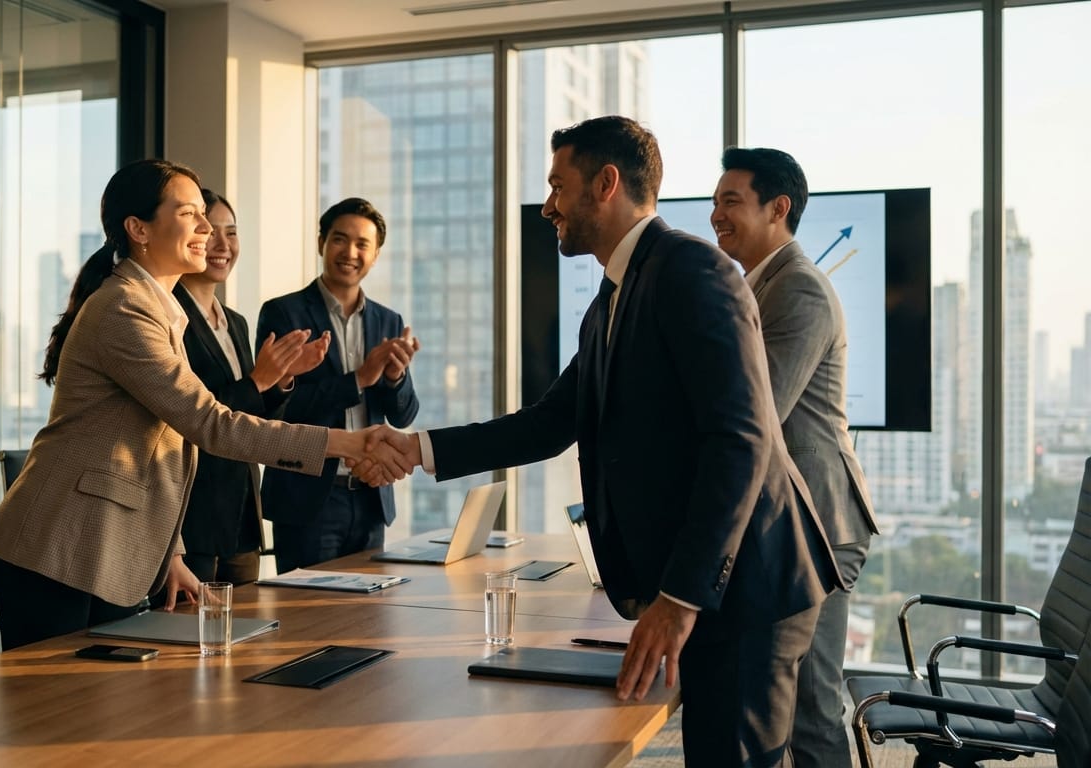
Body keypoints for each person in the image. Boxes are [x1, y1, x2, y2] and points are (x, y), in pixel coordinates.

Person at [367, 116, 841, 767]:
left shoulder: (692, 271)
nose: (548, 205)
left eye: (559, 186)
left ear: (607, 184)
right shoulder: (613, 298)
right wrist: (416, 448)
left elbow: (741, 440)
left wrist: (679, 599)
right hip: (716, 585)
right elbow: (551, 421)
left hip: (747, 585)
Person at [0, 160, 403, 650]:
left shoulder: (157, 306)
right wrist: (346, 443)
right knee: (52, 711)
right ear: (138, 229)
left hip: (111, 545)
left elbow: (163, 450)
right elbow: (209, 423)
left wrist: (172, 555)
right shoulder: (125, 307)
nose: (207, 228)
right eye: (191, 214)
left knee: (99, 707)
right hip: (61, 543)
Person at [711, 147, 879, 768]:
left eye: (731, 201)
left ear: (778, 209)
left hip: (820, 526)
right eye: (716, 200)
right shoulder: (760, 286)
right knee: (777, 703)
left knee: (810, 710)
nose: (715, 214)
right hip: (791, 523)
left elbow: (761, 409)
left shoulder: (799, 288)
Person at [167, 188, 326, 586]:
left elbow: (253, 419)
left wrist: (282, 379)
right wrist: (259, 379)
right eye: (211, 232)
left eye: (232, 233)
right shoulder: (168, 317)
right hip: (191, 519)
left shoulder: (236, 322)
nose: (222, 245)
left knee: (241, 638)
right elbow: (195, 418)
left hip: (240, 516)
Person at [255, 197, 421, 574]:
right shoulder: (284, 312)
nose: (350, 252)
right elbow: (276, 409)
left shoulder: (388, 320)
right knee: (307, 620)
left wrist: (394, 378)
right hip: (308, 496)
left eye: (363, 244)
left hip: (370, 494)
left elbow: (404, 412)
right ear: (321, 243)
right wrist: (359, 379)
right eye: (339, 240)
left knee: (367, 621)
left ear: (376, 254)